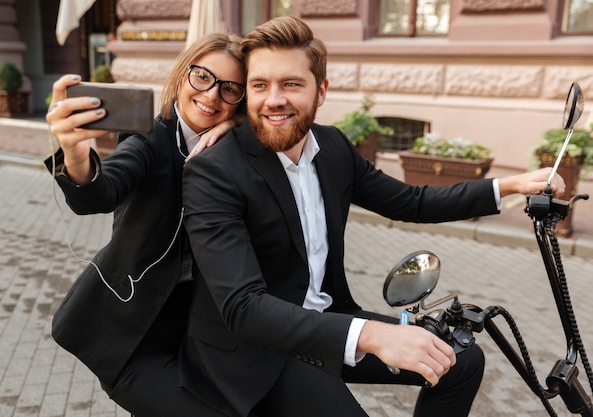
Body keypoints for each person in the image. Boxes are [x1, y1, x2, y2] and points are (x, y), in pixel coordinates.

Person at [180, 16, 566, 417]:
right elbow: (243, 308)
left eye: (291, 84)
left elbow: (412, 202)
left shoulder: (332, 148)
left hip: (327, 319)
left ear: (321, 91)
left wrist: (512, 185)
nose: (274, 99)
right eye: (260, 85)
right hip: (255, 351)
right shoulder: (215, 169)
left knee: (459, 361)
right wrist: (372, 334)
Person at [45, 32, 246, 417]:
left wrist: (234, 127)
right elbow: (99, 193)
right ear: (182, 75)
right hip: (131, 339)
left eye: (230, 88)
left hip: (198, 342)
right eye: (203, 77)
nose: (212, 96)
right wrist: (73, 153)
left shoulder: (235, 147)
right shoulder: (148, 139)